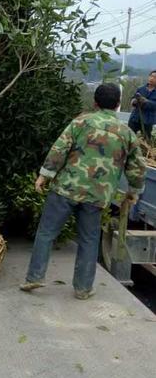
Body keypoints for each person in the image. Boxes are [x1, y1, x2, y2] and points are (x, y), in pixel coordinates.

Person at [20, 83, 145, 299]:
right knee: (88, 240)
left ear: (94, 102)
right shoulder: (126, 133)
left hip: (66, 188)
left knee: (47, 233)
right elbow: (136, 167)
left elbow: (60, 148)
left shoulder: (80, 122)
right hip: (97, 195)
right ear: (117, 106)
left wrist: (44, 175)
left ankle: (34, 278)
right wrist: (133, 191)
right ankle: (83, 288)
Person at [128, 71, 156, 140]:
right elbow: (133, 100)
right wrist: (134, 101)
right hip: (135, 118)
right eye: (151, 76)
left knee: (146, 140)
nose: (152, 78)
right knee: (129, 137)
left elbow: (154, 106)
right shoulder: (141, 89)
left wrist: (145, 101)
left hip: (147, 121)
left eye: (155, 77)